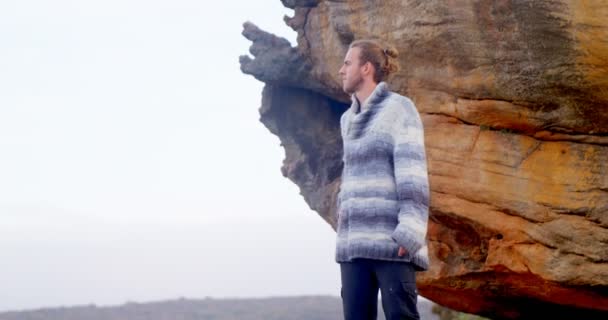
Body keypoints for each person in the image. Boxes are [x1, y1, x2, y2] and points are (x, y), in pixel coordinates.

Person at [335, 39, 430, 320]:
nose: (341, 70)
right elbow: (349, 173)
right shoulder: (346, 119)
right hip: (354, 242)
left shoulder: (399, 109)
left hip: (392, 240)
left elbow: (413, 170)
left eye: (347, 63)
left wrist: (411, 229)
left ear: (366, 68)